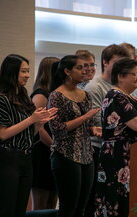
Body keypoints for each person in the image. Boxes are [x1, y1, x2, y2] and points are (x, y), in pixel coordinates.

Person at [0, 54, 57, 217]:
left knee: (20, 210)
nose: (27, 75)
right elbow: (3, 134)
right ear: (12, 72)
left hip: (26, 158)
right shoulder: (2, 99)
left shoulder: (23, 97)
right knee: (6, 209)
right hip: (7, 159)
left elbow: (29, 133)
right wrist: (32, 119)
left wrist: (40, 122)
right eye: (24, 71)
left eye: (28, 71)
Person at [94, 58, 137, 217]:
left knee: (131, 201)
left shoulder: (133, 98)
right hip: (117, 156)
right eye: (134, 74)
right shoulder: (116, 96)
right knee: (117, 201)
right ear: (121, 76)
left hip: (132, 155)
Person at [48, 55, 101, 217]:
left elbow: (88, 126)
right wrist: (85, 117)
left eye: (85, 67)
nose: (84, 70)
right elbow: (57, 129)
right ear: (67, 71)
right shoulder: (56, 96)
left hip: (86, 156)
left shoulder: (85, 95)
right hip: (65, 155)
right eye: (79, 67)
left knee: (82, 209)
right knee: (68, 209)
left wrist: (94, 129)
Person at [84, 44, 130, 217]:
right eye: (118, 62)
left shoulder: (123, 87)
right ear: (105, 62)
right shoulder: (95, 87)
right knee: (95, 202)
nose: (122, 67)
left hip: (118, 153)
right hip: (97, 151)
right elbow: (95, 122)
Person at [30, 56, 60, 210]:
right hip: (42, 151)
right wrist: (55, 146)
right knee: (41, 204)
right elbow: (38, 128)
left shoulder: (54, 93)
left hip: (51, 151)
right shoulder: (41, 95)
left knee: (52, 202)